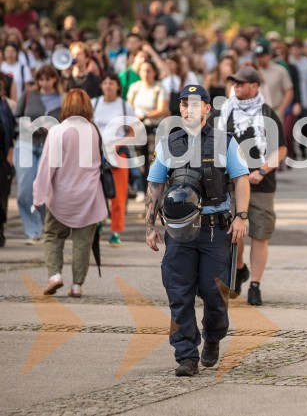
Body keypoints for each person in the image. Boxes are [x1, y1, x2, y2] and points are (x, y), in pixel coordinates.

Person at [144, 84, 251, 376]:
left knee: (214, 294)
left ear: (206, 108)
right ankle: (186, 355)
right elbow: (155, 185)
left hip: (214, 230)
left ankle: (213, 337)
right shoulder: (167, 142)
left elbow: (242, 179)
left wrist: (241, 216)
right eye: (182, 104)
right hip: (178, 232)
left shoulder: (225, 140)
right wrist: (150, 225)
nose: (187, 109)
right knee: (179, 293)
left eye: (194, 104)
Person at [218, 67, 287, 305]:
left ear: (255, 86)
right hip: (230, 184)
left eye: (242, 83)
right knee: (232, 234)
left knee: (259, 235)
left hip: (261, 184)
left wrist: (262, 170)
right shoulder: (225, 111)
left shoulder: (268, 113)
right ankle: (238, 269)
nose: (236, 86)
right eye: (235, 83)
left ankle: (255, 284)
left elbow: (281, 149)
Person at [33, 89, 108, 298]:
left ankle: (55, 275)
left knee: (53, 235)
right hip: (89, 197)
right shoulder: (93, 130)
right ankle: (77, 286)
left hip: (61, 197)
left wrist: (38, 196)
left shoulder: (58, 130)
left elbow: (47, 166)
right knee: (83, 242)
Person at [15, 64, 64, 245]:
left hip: (49, 146)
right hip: (26, 144)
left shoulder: (62, 98)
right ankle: (32, 231)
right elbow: (15, 116)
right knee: (25, 190)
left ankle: (45, 228)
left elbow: (67, 121)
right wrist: (26, 125)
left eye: (48, 79)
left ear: (54, 79)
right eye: (41, 79)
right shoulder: (29, 94)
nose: (44, 83)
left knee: (47, 188)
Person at [93, 72, 137, 247]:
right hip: (95, 153)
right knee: (95, 191)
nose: (108, 86)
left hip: (118, 154)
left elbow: (133, 133)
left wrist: (118, 144)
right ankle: (97, 223)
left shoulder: (125, 106)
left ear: (118, 86)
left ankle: (116, 231)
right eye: (105, 82)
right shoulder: (94, 103)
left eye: (112, 83)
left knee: (118, 194)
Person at [0, 74, 14, 248]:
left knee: (2, 198)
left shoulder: (5, 107)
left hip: (2, 159)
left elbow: (11, 133)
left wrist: (9, 159)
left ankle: (0, 229)